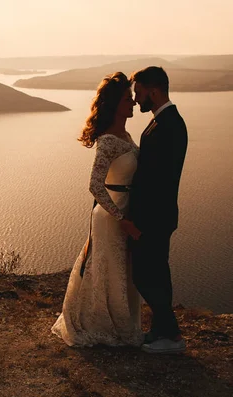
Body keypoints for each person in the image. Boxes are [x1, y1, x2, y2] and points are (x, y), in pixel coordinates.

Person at [52, 72, 143, 347]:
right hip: (111, 216)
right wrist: (121, 218)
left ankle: (124, 324)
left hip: (125, 211)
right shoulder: (107, 141)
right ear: (116, 103)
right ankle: (106, 326)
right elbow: (94, 185)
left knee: (122, 271)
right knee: (109, 271)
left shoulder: (125, 134)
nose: (134, 104)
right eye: (128, 99)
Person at [128, 66, 188, 354]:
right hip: (158, 216)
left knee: (144, 274)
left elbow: (158, 181)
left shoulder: (170, 125)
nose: (136, 99)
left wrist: (136, 221)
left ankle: (173, 337)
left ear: (154, 91)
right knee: (157, 274)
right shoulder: (162, 121)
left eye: (138, 92)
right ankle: (160, 331)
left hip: (154, 217)